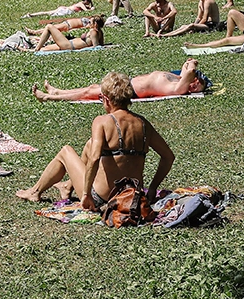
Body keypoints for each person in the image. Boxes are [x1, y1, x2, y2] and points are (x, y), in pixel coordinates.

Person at [16, 71, 174, 209]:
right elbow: (168, 156)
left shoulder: (102, 121)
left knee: (66, 151)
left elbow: (94, 158)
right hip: (133, 196)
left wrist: (86, 194)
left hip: (102, 198)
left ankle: (35, 192)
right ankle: (67, 186)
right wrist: (152, 187)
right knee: (90, 144)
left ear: (106, 100)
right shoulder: (142, 123)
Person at [35, 59, 207, 102]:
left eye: (199, 82)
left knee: (89, 93)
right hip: (128, 83)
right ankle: (57, 91)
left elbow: (190, 69)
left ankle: (49, 97)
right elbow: (187, 66)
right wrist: (190, 64)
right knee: (92, 87)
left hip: (128, 90)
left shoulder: (180, 88)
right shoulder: (180, 79)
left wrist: (192, 66)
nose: (197, 79)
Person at [30, 19, 104, 52]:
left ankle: (36, 49)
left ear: (95, 24)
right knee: (45, 48)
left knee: (49, 26)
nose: (88, 23)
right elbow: (101, 44)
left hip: (69, 45)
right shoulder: (100, 32)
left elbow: (96, 46)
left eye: (90, 22)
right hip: (69, 44)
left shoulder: (93, 32)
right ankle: (30, 50)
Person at [23, 0, 93, 18]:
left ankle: (31, 15)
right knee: (49, 15)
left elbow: (88, 8)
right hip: (66, 10)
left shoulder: (81, 4)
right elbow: (87, 11)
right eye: (89, 2)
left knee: (47, 13)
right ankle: (31, 15)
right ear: (86, 0)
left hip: (64, 8)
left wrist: (91, 5)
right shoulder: (81, 4)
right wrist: (92, 8)